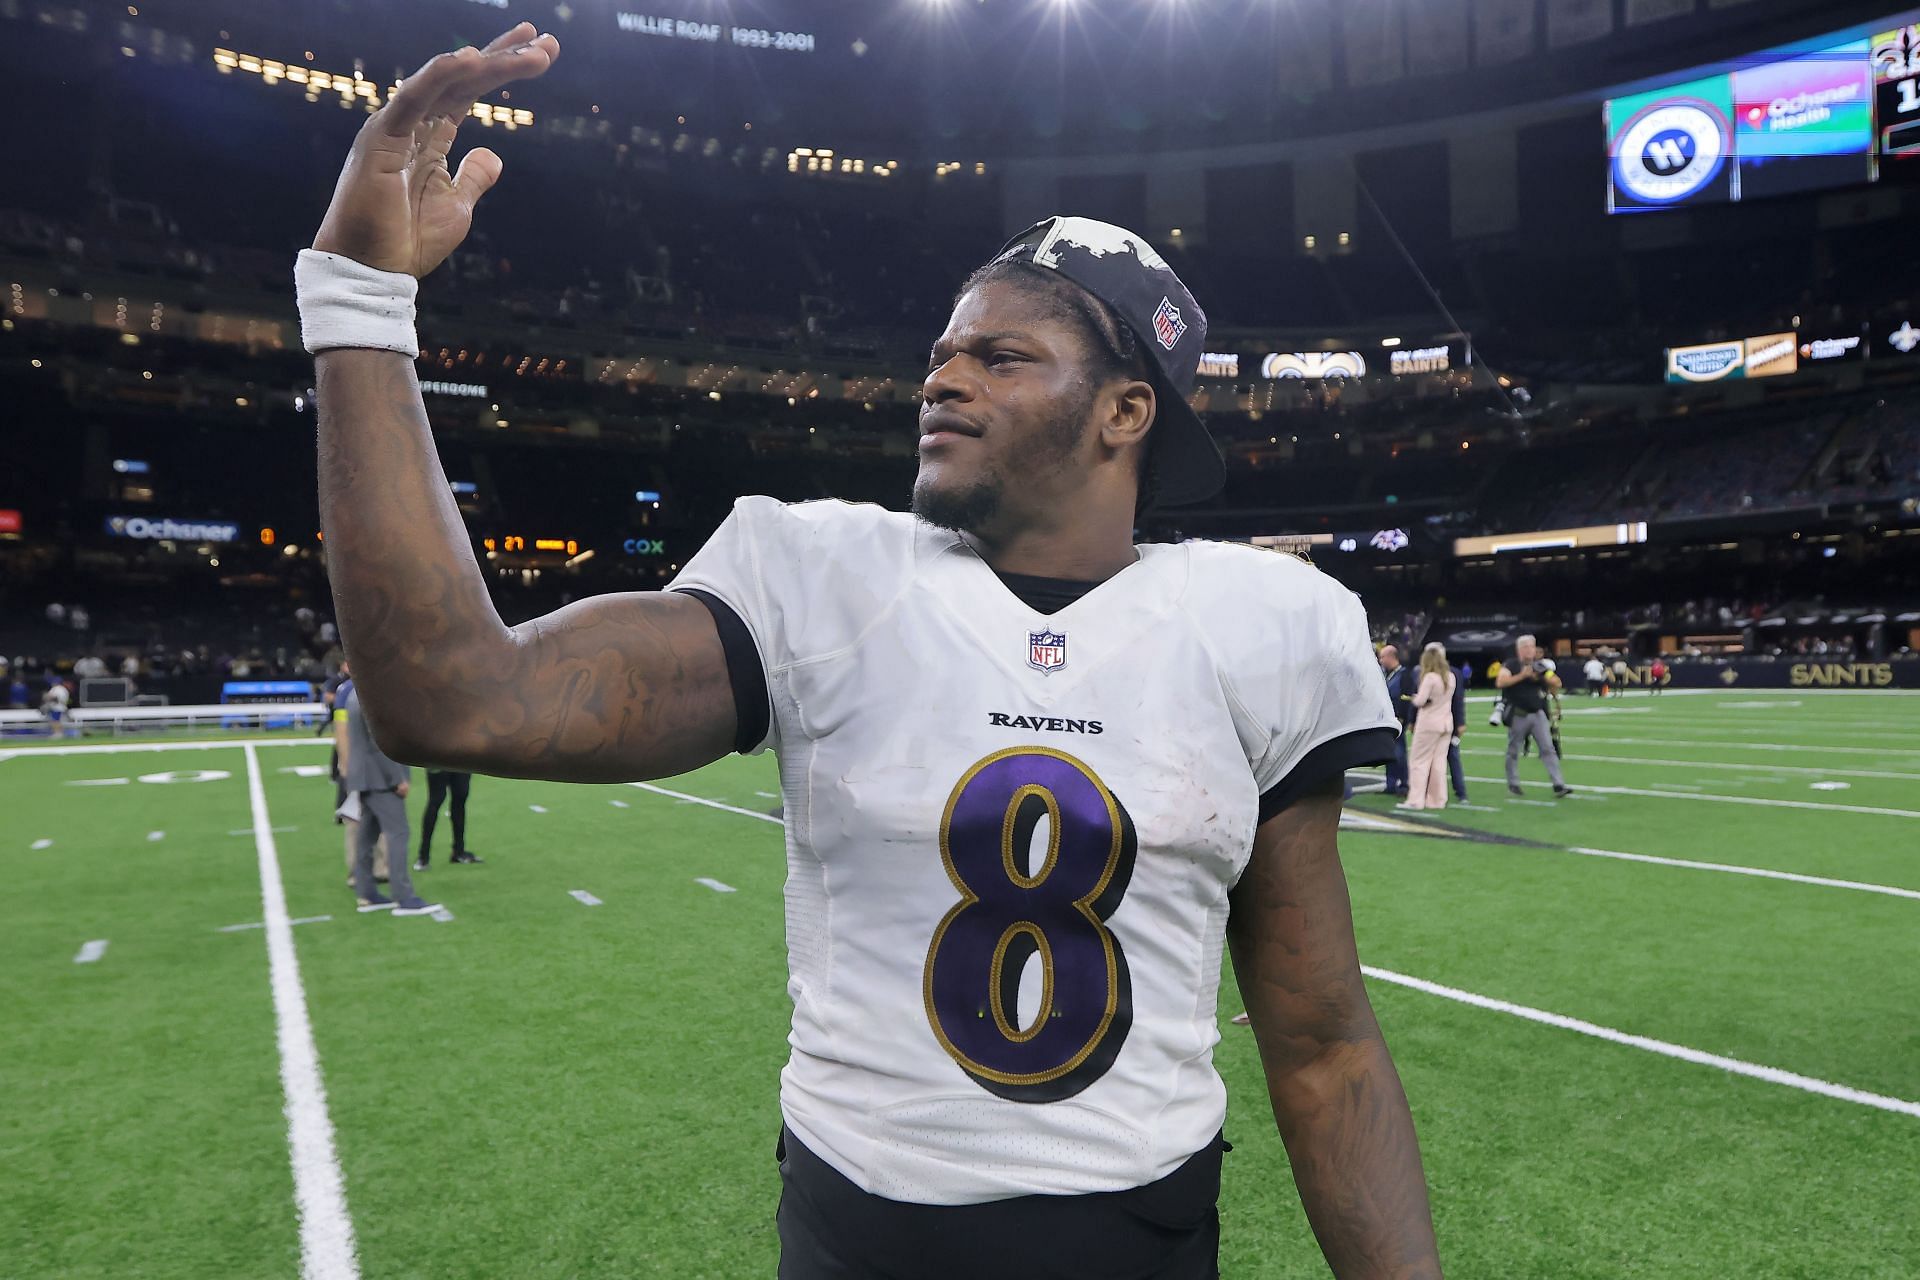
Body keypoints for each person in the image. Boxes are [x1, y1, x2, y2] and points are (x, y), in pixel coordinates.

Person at [300, 30, 1441, 1277]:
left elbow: (1324, 1043)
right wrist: (363, 306)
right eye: (943, 351)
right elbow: (453, 697)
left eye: (1002, 355)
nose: (943, 377)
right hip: (862, 1237)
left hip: (1141, 1236)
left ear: (1127, 412)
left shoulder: (1263, 622)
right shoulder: (817, 575)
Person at [337, 682, 439, 917]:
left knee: (366, 837)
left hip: (362, 776)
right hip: (380, 779)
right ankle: (404, 897)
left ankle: (367, 893)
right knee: (398, 834)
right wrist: (397, 779)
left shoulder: (354, 692)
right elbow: (380, 744)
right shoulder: (374, 694)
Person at [1496, 636, 1572, 799]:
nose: (1531, 650)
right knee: (1513, 750)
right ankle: (1513, 784)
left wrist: (1542, 678)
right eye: (1527, 647)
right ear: (1520, 649)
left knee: (1548, 749)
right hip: (1518, 714)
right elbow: (1501, 682)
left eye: (1532, 646)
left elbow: (1556, 682)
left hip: (1538, 714)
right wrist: (1522, 676)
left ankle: (1558, 784)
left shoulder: (1540, 666)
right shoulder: (1511, 664)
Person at [1399, 643, 1456, 811]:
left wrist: (1413, 697)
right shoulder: (1450, 676)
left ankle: (1415, 800)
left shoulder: (1430, 678)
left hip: (1429, 723)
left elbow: (1420, 701)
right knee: (1438, 763)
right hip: (1446, 722)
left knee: (1418, 761)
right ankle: (1437, 800)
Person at [415, 770, 482, 868]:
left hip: (462, 759)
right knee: (436, 799)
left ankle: (459, 852)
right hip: (438, 759)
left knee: (460, 798)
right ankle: (423, 857)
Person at [1378, 644, 1412, 797]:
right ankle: (1390, 784)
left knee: (1399, 753)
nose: (1380, 660)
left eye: (1383, 657)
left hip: (1398, 719)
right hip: (1387, 719)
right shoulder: (1387, 674)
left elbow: (1407, 698)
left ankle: (1404, 783)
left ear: (1391, 657)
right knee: (1389, 752)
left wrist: (1402, 717)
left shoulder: (1404, 675)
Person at [1447, 658, 1470, 803]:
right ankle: (1460, 792)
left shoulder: (1451, 673)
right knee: (1452, 757)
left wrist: (1460, 722)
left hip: (1439, 723)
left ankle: (1460, 791)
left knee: (1452, 757)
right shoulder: (1453, 672)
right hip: (1446, 722)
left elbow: (1458, 699)